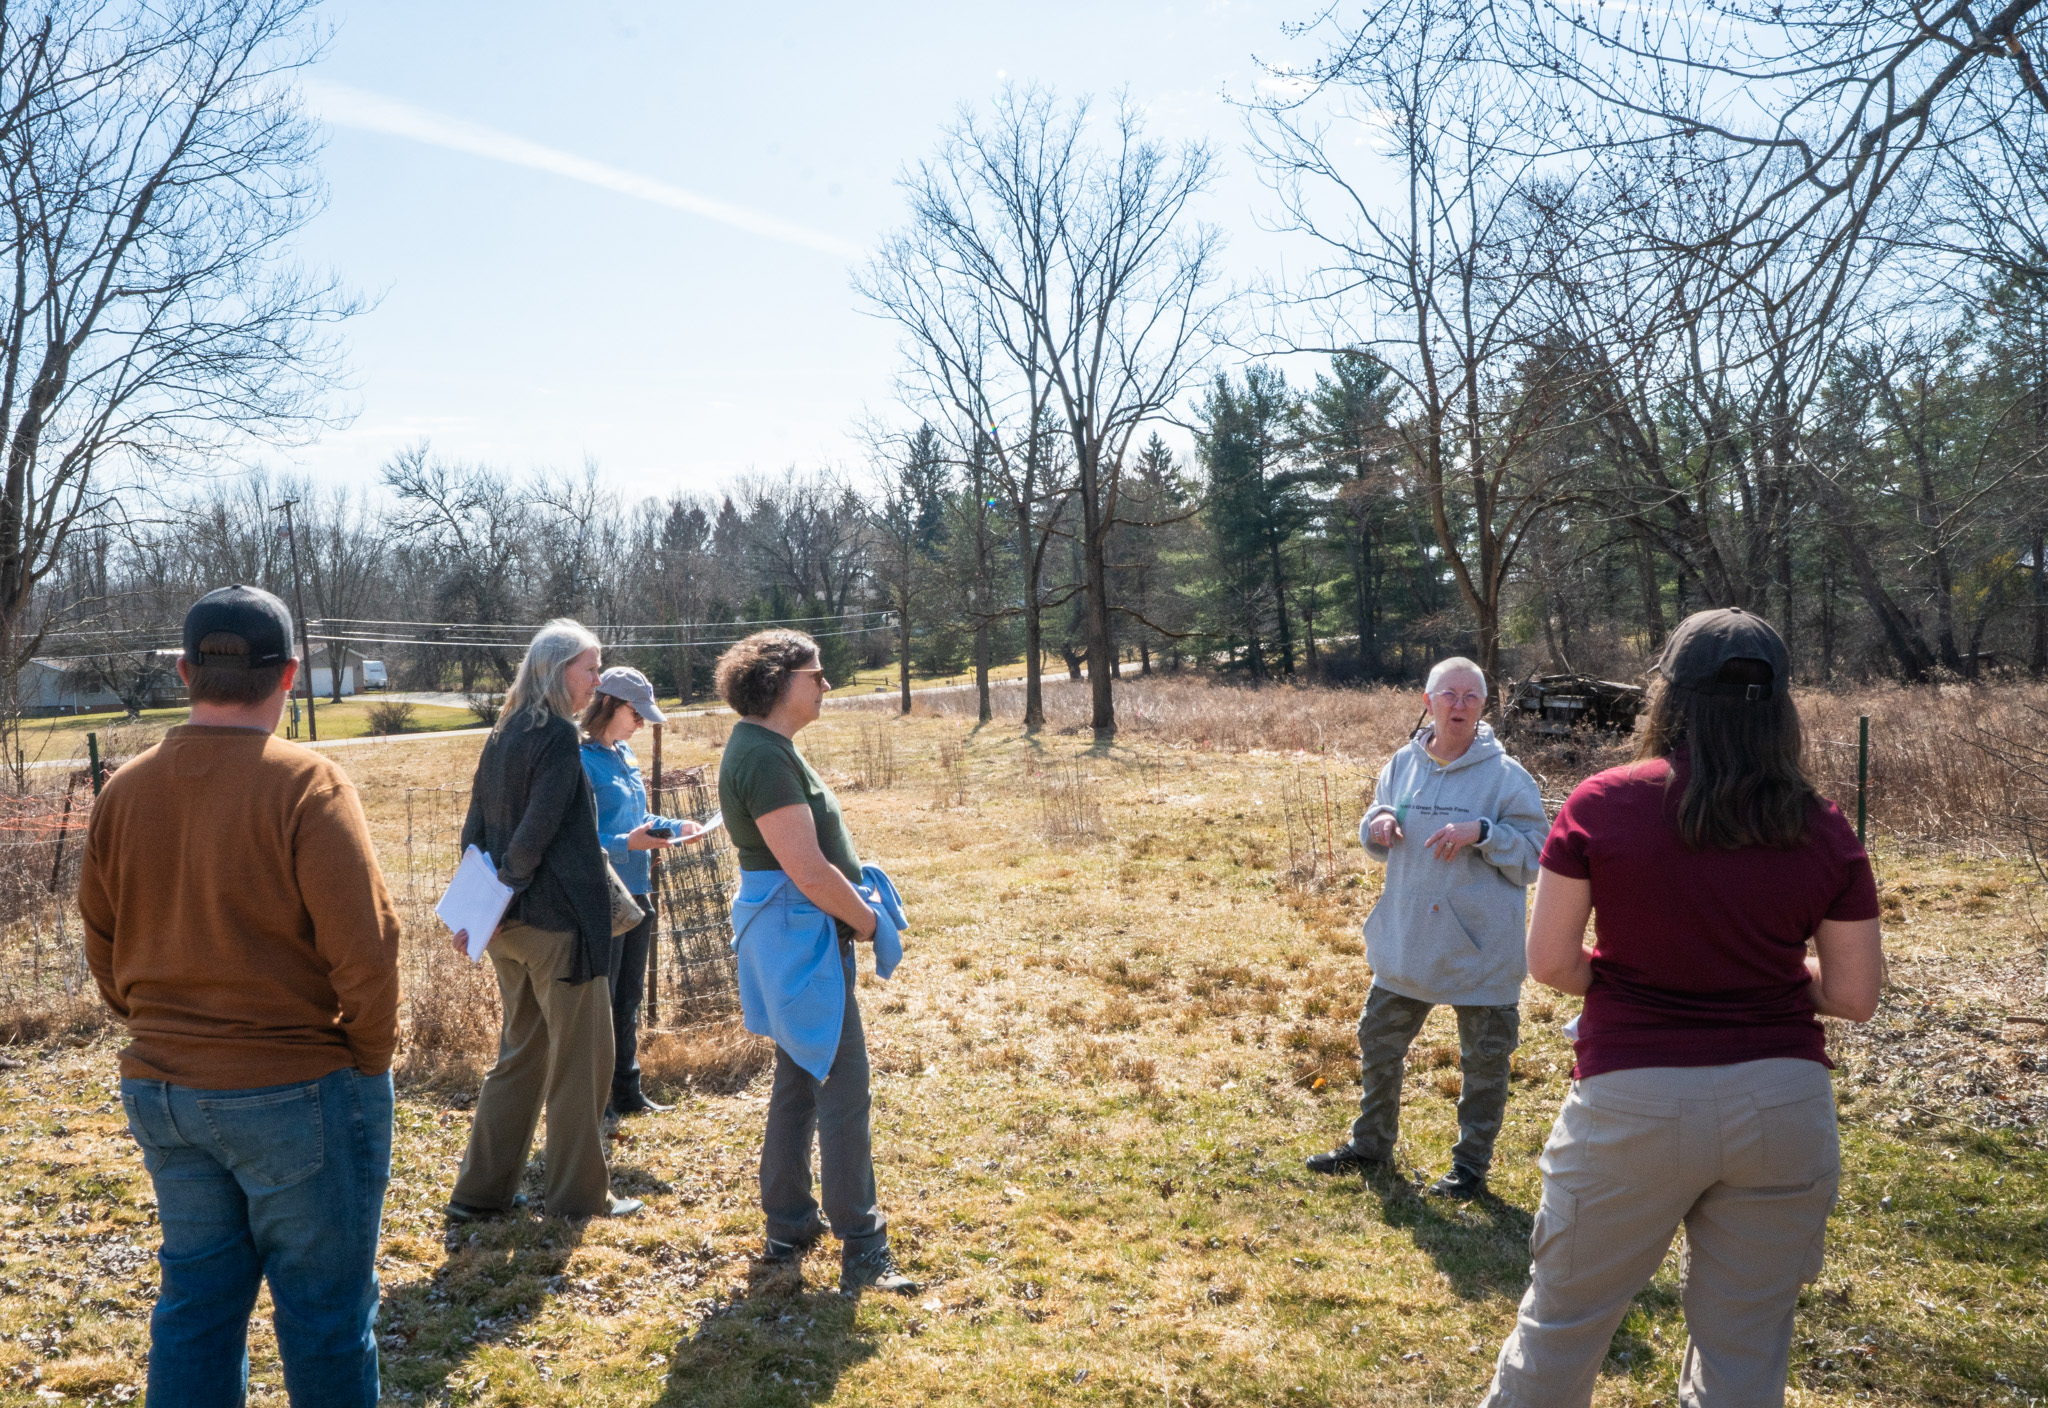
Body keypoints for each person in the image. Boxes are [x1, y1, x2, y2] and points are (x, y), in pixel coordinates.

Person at [1480, 608, 1884, 1407]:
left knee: (1562, 1328)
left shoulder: (1602, 803)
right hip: (1783, 1109)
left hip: (1635, 1099)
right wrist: (1763, 975)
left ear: (1669, 697)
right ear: (1780, 710)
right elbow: (1853, 994)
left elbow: (1551, 961)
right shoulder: (1822, 825)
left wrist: (1643, 974)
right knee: (1744, 1354)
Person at [80, 585, 401, 1407]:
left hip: (163, 1090)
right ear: (289, 674)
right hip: (296, 1087)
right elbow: (366, 951)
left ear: (184, 671)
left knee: (196, 1306)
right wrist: (367, 1061)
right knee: (325, 1317)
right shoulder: (307, 783)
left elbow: (102, 944)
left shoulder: (124, 791)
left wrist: (158, 1027)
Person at [715, 630, 917, 1295]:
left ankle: (788, 1225)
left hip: (797, 940)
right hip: (801, 943)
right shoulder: (763, 757)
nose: (826, 685)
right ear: (778, 681)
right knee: (843, 1089)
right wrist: (867, 920)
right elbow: (806, 869)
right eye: (817, 675)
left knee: (801, 1078)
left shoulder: (768, 748)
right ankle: (863, 1246)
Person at [1306, 656, 1548, 1198]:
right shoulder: (1403, 762)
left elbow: (1537, 857)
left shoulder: (1508, 778)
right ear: (1427, 701)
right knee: (1378, 1043)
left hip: (1480, 950)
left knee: (1484, 1065)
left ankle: (1470, 1169)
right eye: (1448, 695)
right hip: (1407, 940)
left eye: (1470, 696)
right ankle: (1370, 1146)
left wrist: (1483, 832)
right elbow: (1380, 815)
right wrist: (1378, 821)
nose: (1459, 705)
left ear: (1483, 706)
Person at [446, 619, 643, 1222]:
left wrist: (481, 909)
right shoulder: (557, 735)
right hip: (557, 927)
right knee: (582, 1062)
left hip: (507, 931)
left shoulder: (504, 731)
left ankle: (480, 1194)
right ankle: (577, 1198)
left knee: (521, 1056)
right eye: (590, 668)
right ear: (557, 671)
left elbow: (473, 830)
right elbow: (536, 829)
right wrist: (506, 889)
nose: (598, 680)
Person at [579, 665, 705, 1117]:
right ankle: (597, 1102)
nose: (641, 723)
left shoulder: (626, 754)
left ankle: (628, 1093)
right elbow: (576, 839)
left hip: (639, 892)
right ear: (608, 704)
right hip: (605, 896)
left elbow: (640, 818)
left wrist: (676, 826)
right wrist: (624, 844)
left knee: (629, 997)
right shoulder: (580, 761)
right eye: (636, 714)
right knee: (604, 1000)